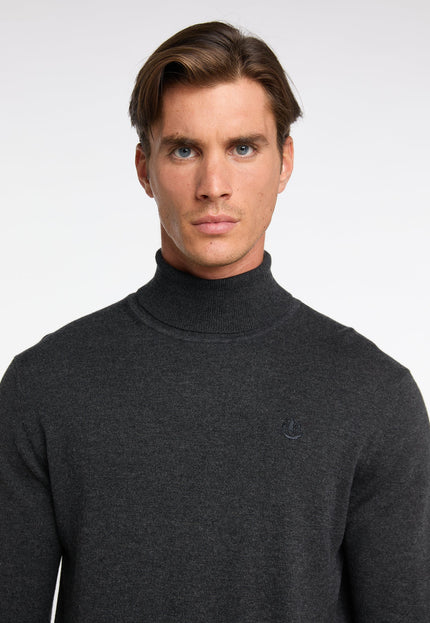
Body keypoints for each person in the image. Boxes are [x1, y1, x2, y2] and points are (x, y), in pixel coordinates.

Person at [0, 21, 428, 623]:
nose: (214, 186)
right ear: (145, 169)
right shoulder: (43, 387)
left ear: (285, 163)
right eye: (184, 150)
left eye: (243, 148)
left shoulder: (374, 395)